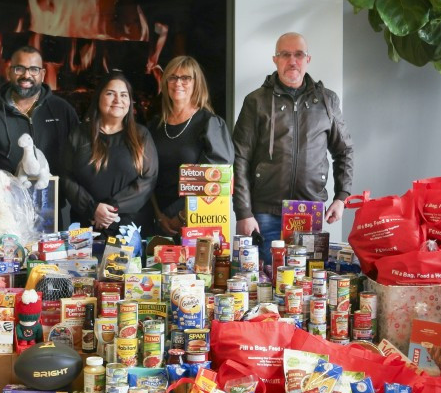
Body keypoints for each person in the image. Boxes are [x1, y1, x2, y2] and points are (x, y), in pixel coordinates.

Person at [233, 32, 354, 246]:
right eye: (285, 54)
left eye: (298, 54)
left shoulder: (327, 101)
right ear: (275, 59)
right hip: (264, 214)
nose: (292, 61)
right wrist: (243, 212)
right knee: (263, 277)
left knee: (307, 279)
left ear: (308, 59)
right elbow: (239, 158)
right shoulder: (256, 101)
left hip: (310, 212)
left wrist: (341, 197)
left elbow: (344, 151)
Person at [147, 56, 234, 235]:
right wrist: (158, 215)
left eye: (185, 78)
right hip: (158, 221)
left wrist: (181, 215)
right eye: (172, 77)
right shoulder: (154, 126)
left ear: (196, 83)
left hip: (198, 220)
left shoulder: (210, 124)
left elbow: (216, 180)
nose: (178, 83)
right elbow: (146, 176)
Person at [62, 72, 158, 235]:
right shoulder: (79, 134)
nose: (118, 100)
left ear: (130, 102)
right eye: (110, 94)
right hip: (85, 226)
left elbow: (149, 179)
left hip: (128, 228)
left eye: (123, 95)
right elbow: (65, 175)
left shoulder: (142, 135)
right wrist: (92, 209)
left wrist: (111, 209)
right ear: (98, 97)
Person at [0, 45, 80, 176]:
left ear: (42, 74)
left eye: (34, 69)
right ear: (9, 72)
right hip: (4, 195)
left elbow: (79, 157)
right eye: (19, 69)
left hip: (54, 194)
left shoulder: (62, 110)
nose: (26, 75)